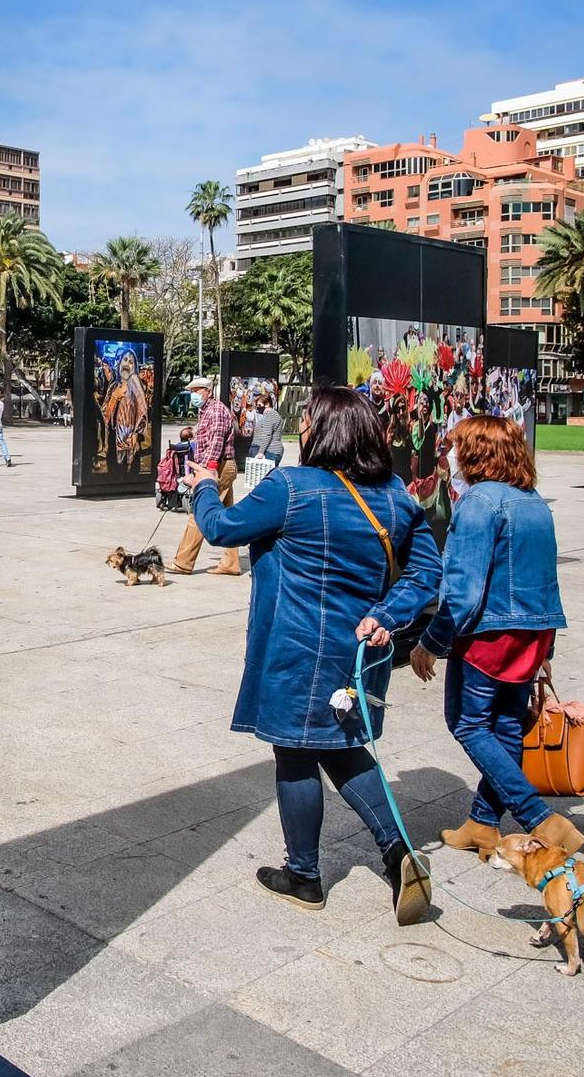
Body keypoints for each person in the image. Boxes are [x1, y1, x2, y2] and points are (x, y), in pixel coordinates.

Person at [185, 386, 441, 920]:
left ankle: (304, 874)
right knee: (343, 748)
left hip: (298, 649)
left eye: (308, 420)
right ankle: (399, 856)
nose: (302, 428)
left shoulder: (292, 487)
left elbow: (220, 528)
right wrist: (388, 614)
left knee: (297, 752)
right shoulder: (395, 494)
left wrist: (204, 486)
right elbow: (428, 572)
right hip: (358, 653)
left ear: (323, 431)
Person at [407, 415, 584, 860]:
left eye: (456, 447)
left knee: (467, 723)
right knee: (506, 725)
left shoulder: (479, 502)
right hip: (532, 631)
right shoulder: (533, 501)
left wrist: (431, 641)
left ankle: (538, 816)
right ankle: (483, 824)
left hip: (490, 634)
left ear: (475, 454)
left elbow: (464, 589)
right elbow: (547, 578)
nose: (450, 455)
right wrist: (548, 648)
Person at [171, 377, 241, 576]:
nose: (193, 394)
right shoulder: (205, 411)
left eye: (197, 390)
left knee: (199, 512)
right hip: (218, 466)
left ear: (208, 391)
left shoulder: (217, 410)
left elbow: (216, 442)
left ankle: (183, 562)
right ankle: (231, 562)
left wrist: (207, 470)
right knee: (228, 515)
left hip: (218, 467)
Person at [250, 389, 285, 468]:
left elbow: (267, 434)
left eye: (259, 405)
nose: (257, 407)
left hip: (269, 451)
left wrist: (261, 452)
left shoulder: (270, 414)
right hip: (268, 450)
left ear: (267, 404)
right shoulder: (269, 415)